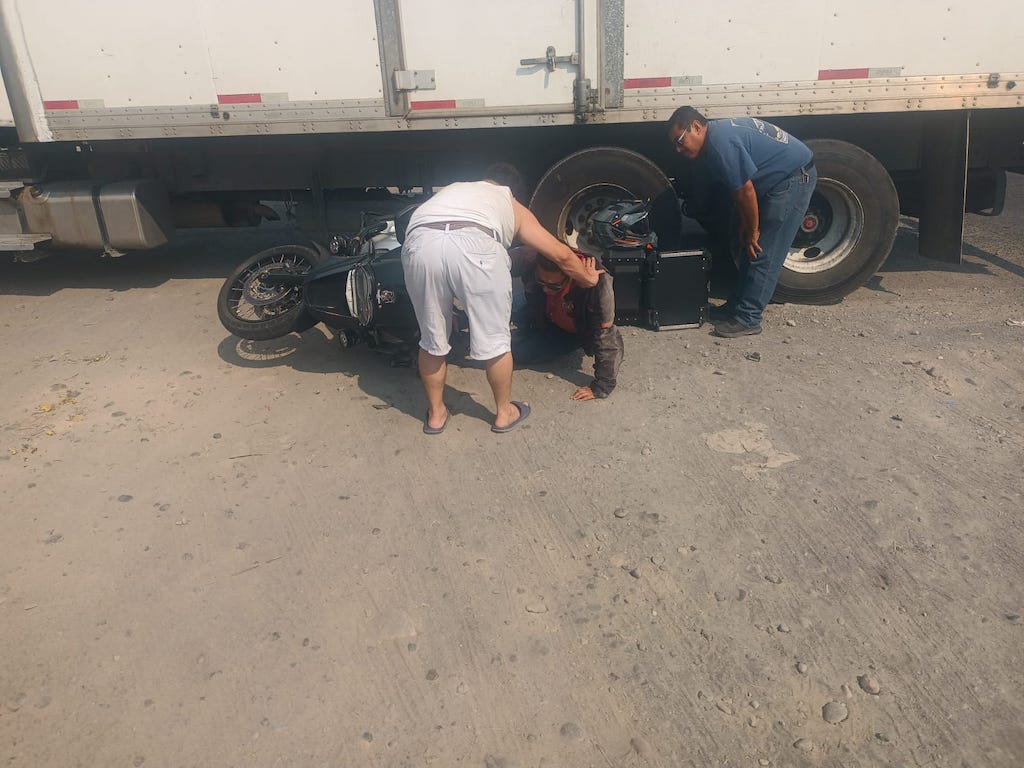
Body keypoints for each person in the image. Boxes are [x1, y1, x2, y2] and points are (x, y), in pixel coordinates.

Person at [402, 163, 602, 435]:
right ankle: (504, 413)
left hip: (421, 245)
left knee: (432, 341)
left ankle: (436, 415)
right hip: (476, 244)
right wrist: (588, 278)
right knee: (495, 341)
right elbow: (560, 254)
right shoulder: (509, 201)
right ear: (513, 192)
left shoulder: (452, 189)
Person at [667, 106, 816, 337]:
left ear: (696, 127)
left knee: (763, 250)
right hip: (774, 181)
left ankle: (749, 318)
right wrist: (746, 227)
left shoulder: (720, 144)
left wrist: (753, 229)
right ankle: (735, 308)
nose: (678, 149)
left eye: (680, 141)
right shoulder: (716, 137)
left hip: (793, 178)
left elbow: (745, 191)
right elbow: (740, 189)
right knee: (744, 244)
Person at [513, 252, 623, 401]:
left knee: (517, 353)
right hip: (542, 311)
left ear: (570, 275)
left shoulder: (598, 286)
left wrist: (602, 387)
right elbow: (495, 261)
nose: (546, 289)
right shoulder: (533, 258)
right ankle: (530, 328)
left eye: (554, 286)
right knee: (496, 306)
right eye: (541, 282)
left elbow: (609, 340)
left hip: (569, 332)